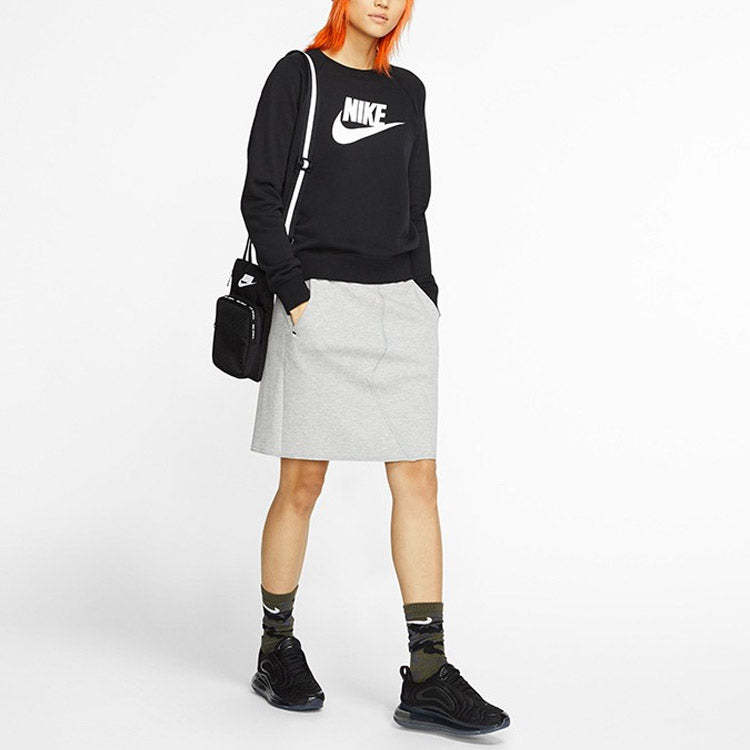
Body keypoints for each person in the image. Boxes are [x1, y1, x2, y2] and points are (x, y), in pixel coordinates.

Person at [239, 0, 509, 735]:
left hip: (399, 305)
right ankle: (275, 649)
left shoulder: (408, 92)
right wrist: (295, 296)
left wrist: (424, 293)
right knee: (302, 481)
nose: (385, 2)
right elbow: (261, 196)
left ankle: (428, 674)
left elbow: (415, 203)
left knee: (418, 478)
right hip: (317, 301)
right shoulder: (298, 75)